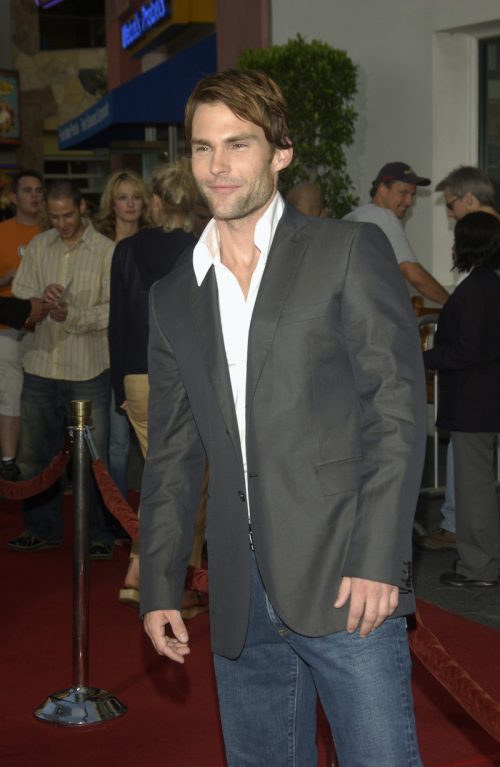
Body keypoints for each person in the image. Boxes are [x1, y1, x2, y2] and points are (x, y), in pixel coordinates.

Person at [140, 69, 427, 766]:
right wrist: (158, 583)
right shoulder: (174, 294)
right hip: (239, 595)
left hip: (346, 576)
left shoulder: (345, 251)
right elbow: (174, 454)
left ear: (281, 153)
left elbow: (395, 410)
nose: (218, 165)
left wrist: (378, 559)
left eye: (238, 144)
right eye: (203, 147)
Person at [109, 159, 202, 611]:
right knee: (188, 482)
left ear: (156, 202)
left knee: (161, 475)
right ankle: (179, 584)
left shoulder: (126, 250)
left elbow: (118, 323)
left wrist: (120, 389)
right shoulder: (202, 250)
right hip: (185, 378)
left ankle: (137, 567)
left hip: (138, 379)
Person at [8, 179, 116, 558]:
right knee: (35, 455)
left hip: (88, 370)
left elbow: (113, 309)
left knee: (94, 459)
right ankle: (42, 528)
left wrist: (73, 314)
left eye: (67, 215)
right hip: (40, 364)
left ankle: (99, 534)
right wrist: (40, 300)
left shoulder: (106, 250)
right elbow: (19, 296)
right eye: (53, 217)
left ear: (82, 207)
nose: (61, 223)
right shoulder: (39, 246)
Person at [417, 166, 500, 552]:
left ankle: (478, 565)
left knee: (476, 485)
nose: (449, 216)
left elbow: (469, 347)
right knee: (474, 483)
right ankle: (473, 555)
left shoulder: (479, 286)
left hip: (476, 398)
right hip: (480, 398)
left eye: (451, 206)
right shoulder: (485, 282)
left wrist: (423, 357)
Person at [95, 170, 150, 513]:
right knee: (112, 444)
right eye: (123, 197)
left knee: (136, 443)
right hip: (95, 356)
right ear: (111, 203)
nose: (130, 204)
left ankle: (142, 518)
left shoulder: (151, 243)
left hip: (136, 358)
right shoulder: (98, 246)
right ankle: (117, 516)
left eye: (136, 197)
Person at [344, 161, 449, 305]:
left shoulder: (354, 216)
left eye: (412, 195)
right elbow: (415, 275)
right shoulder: (382, 216)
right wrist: (453, 304)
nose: (409, 202)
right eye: (403, 193)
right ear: (382, 189)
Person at [0, 170, 44, 481]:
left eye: (39, 190)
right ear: (14, 197)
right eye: (27, 190)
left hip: (45, 326)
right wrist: (5, 278)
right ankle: (8, 460)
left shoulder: (51, 232)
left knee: (43, 395)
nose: (35, 196)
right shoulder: (2, 232)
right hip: (7, 326)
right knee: (11, 388)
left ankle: (47, 457)